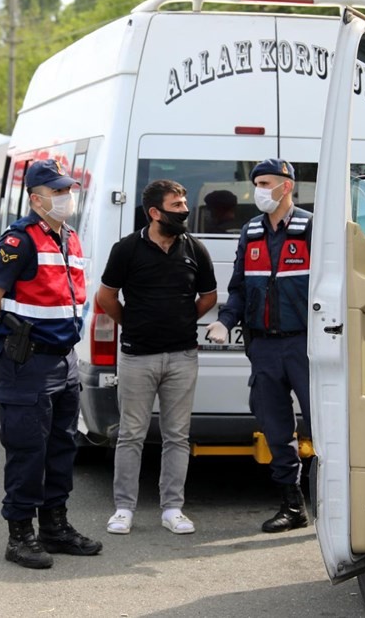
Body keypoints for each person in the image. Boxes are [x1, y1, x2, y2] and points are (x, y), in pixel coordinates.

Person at [0, 158, 102, 569]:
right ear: (36, 198)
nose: (67, 198)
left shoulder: (68, 237)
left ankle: (55, 525)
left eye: (69, 191)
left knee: (62, 447)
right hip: (28, 361)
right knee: (27, 449)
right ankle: (20, 535)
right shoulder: (20, 240)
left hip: (64, 361)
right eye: (58, 192)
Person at [97, 179, 216, 536]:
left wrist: (179, 321)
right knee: (131, 433)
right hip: (137, 357)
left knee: (177, 435)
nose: (184, 210)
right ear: (154, 212)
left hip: (182, 356)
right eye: (176, 205)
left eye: (184, 203)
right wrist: (132, 323)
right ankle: (123, 509)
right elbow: (106, 297)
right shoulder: (127, 249)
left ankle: (173, 508)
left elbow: (208, 297)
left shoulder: (195, 248)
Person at [205, 158, 313, 533]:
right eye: (257, 183)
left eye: (267, 183)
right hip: (264, 347)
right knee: (274, 427)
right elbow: (238, 287)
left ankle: (337, 507)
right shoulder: (250, 231)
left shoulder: (312, 228)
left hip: (306, 346)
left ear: (288, 186)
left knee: (325, 427)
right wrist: (225, 320)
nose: (259, 190)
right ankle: (292, 505)